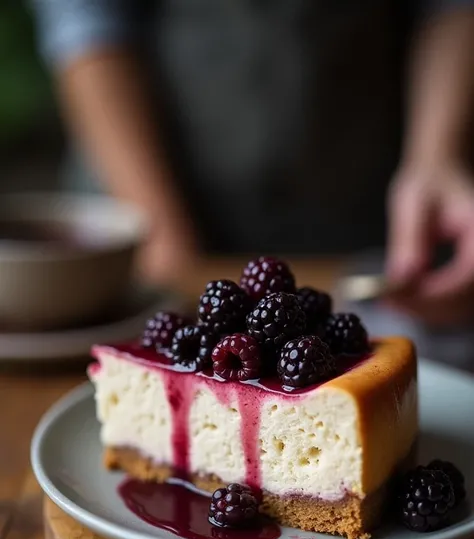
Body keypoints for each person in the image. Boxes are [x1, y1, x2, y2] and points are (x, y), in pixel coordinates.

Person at [31, 1, 474, 327]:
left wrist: (437, 158)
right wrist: (158, 234)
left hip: (360, 213)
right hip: (143, 200)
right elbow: (85, 22)